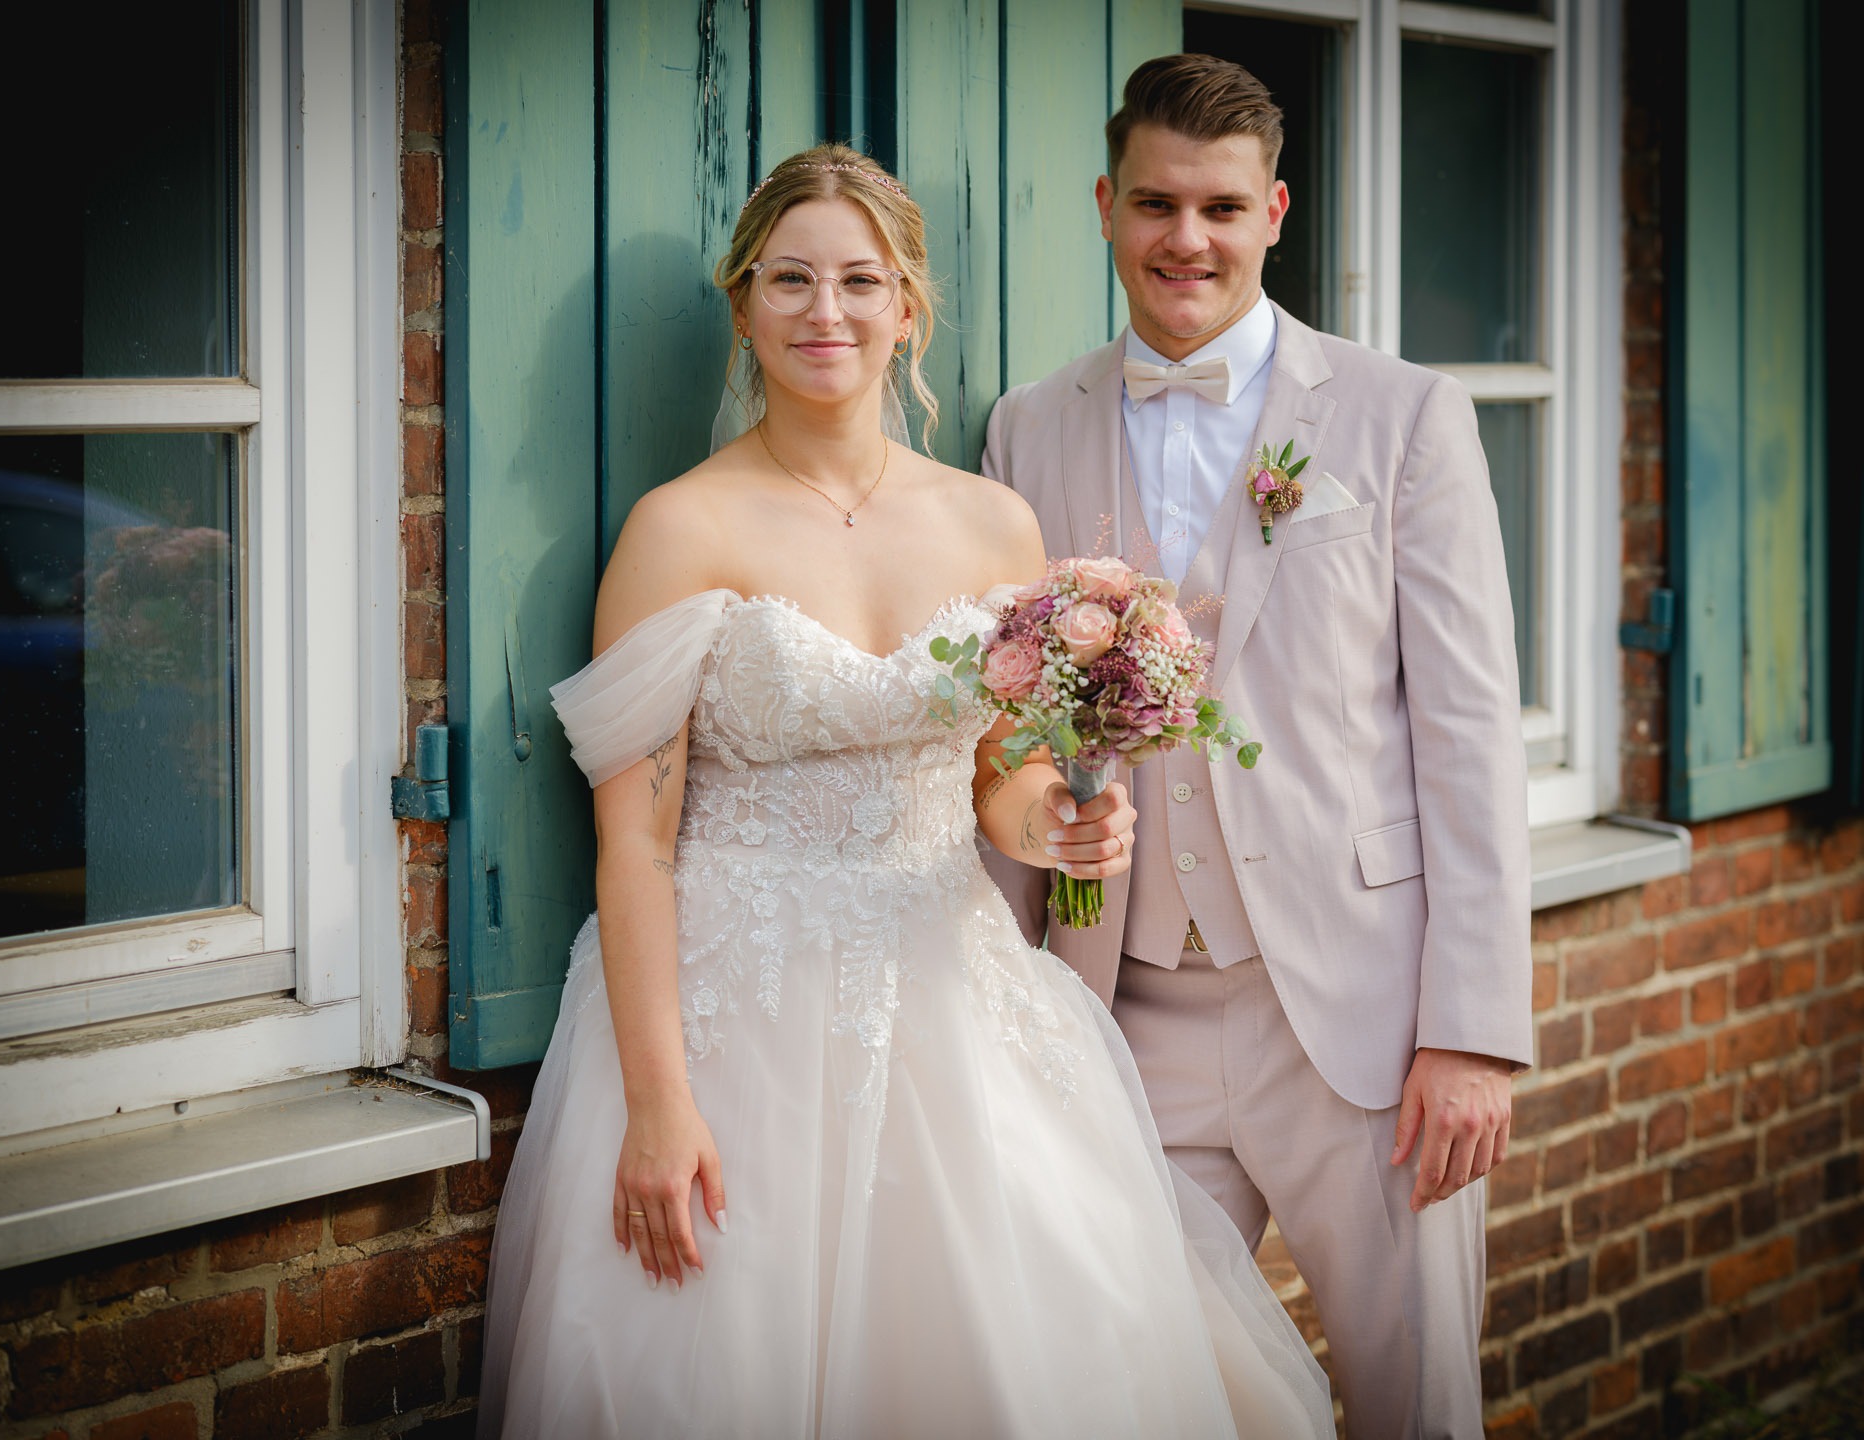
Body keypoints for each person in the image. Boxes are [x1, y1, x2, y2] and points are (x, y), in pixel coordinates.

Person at [476, 143, 1333, 1440]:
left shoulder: (994, 523)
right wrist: (658, 1105)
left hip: (956, 992)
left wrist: (1057, 819)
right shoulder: (678, 530)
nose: (827, 314)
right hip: (732, 1014)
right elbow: (636, 848)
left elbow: (1002, 774)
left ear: (909, 308)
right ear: (743, 301)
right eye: (790, 281)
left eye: (860, 283)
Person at [981, 56, 1533, 1440]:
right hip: (1122, 1010)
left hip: (1364, 1019)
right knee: (1139, 1405)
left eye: (1222, 207)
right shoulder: (1023, 428)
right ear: (1106, 207)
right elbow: (998, 731)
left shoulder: (1405, 418)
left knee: (1422, 1409)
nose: (1188, 239)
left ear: (1275, 210)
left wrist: (1473, 1034)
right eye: (1157, 203)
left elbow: (1469, 737)